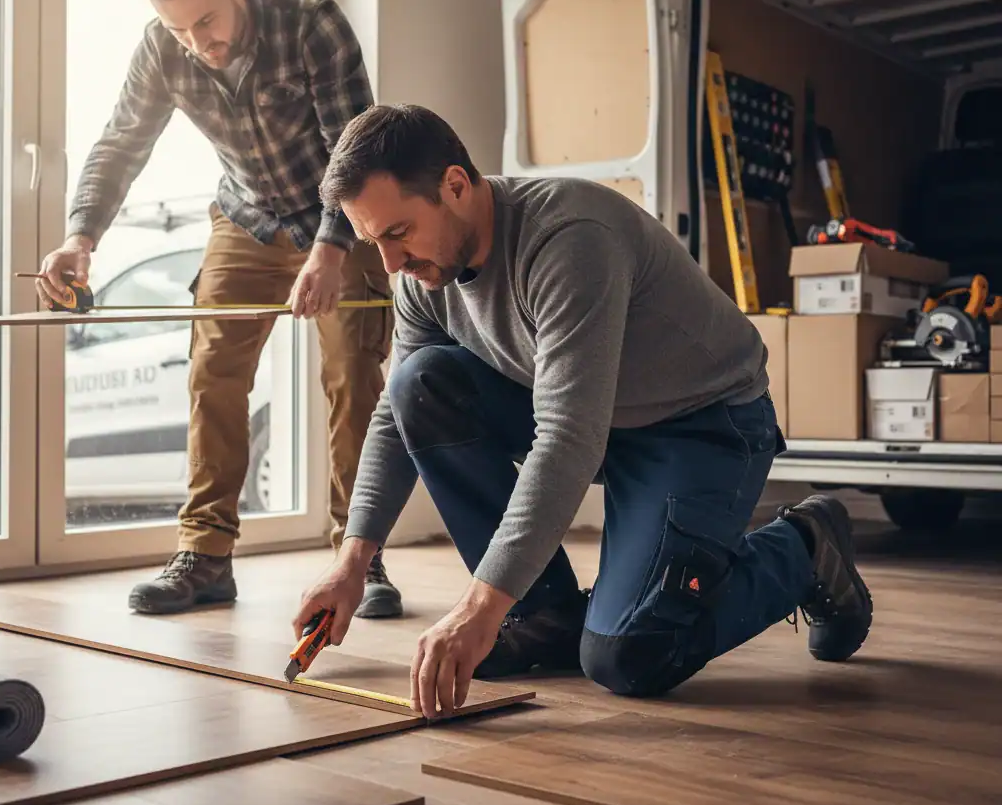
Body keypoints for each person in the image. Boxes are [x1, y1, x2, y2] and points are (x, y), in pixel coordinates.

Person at [292, 102, 874, 718]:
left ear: (455, 186)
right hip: (604, 420)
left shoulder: (568, 241)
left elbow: (568, 437)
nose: (390, 265)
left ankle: (805, 546)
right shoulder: (422, 277)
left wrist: (480, 606)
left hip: (703, 423)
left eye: (397, 233)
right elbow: (393, 414)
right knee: (419, 384)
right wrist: (352, 562)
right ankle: (542, 612)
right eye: (372, 241)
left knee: (630, 656)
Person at [37, 0, 403, 620]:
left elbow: (351, 150)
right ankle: (206, 556)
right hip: (246, 218)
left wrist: (329, 250)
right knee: (213, 373)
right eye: (178, 30)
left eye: (206, 21)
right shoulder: (162, 51)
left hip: (337, 215)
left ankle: (363, 559)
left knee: (354, 380)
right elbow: (121, 142)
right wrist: (80, 237)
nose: (197, 43)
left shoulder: (311, 24)